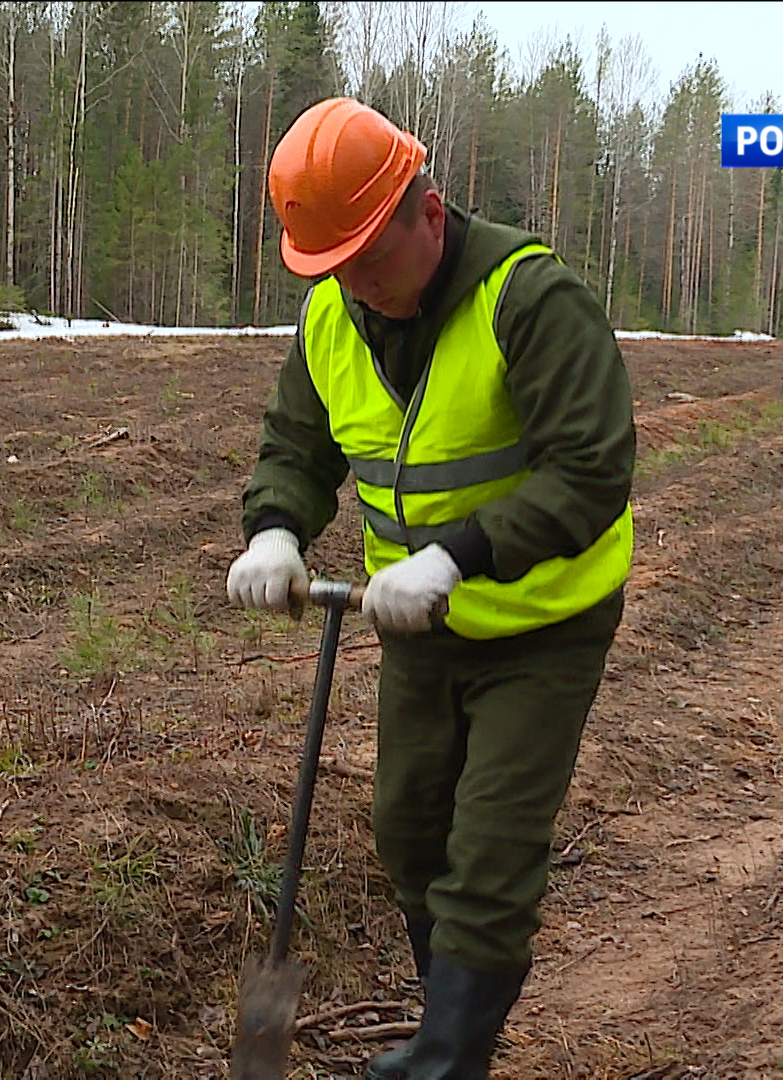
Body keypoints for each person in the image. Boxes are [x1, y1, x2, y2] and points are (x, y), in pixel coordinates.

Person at [227, 97, 634, 1080]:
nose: (356, 285)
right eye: (333, 265)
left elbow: (589, 470)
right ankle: (451, 1020)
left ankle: (447, 1058)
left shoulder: (529, 301)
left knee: (489, 853)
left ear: (432, 214)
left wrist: (456, 555)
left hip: (543, 622)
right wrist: (278, 527)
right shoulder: (332, 311)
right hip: (416, 625)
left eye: (371, 255)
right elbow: (299, 441)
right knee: (410, 834)